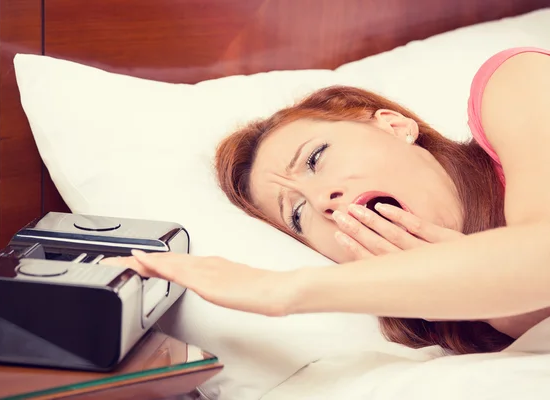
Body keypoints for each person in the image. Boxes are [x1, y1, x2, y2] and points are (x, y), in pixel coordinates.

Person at [104, 47, 550, 355]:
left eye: (316, 158)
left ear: (394, 126)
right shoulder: (436, 328)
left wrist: (281, 290)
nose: (323, 201)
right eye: (297, 214)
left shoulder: (513, 82)